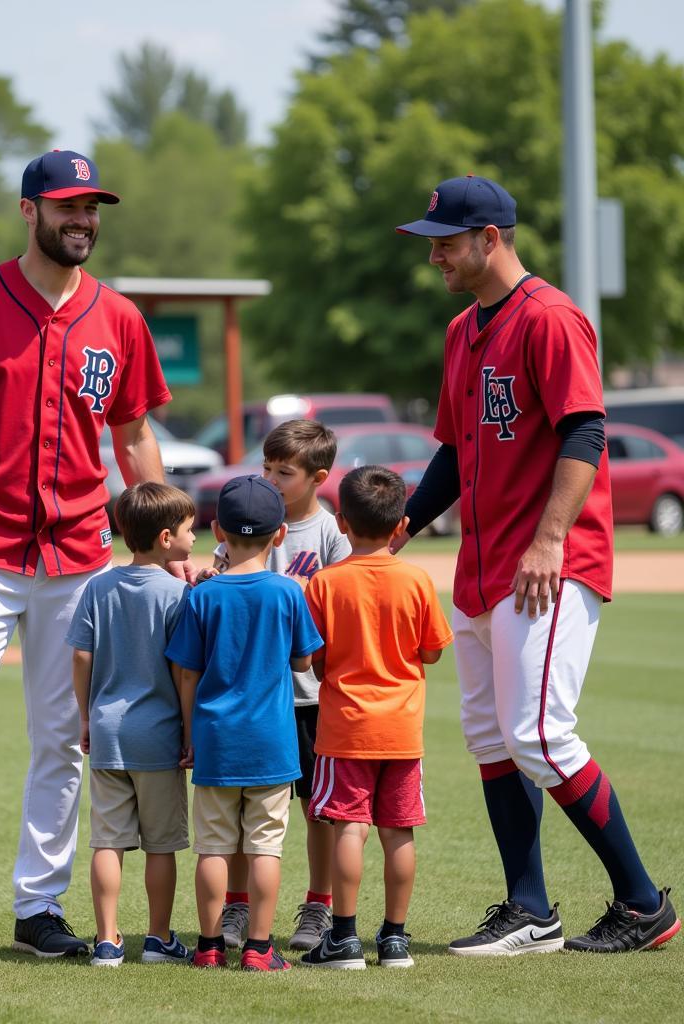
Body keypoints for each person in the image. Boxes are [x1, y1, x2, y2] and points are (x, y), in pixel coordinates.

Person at [395, 175, 679, 954]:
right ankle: (530, 910)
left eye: (446, 244)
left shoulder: (552, 319)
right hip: (484, 566)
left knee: (541, 735)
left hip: (548, 562)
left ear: (491, 239)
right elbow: (453, 455)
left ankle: (643, 901)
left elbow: (585, 433)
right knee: (490, 736)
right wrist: (403, 527)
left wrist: (552, 537)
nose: (436, 258)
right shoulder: (462, 333)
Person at [0, 149, 173, 961]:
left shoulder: (118, 316)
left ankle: (38, 904)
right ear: (29, 211)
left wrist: (162, 543)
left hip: (82, 555)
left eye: (92, 207)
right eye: (67, 206)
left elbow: (132, 436)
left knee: (64, 734)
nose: (82, 220)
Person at [167, 475, 323, 972]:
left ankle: (209, 945)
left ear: (218, 530)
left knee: (212, 846)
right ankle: (258, 947)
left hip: (215, 738)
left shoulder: (202, 596)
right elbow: (304, 664)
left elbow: (187, 672)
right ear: (280, 534)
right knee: (265, 848)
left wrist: (190, 734)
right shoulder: (287, 593)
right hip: (272, 743)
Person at [299, 466, 452, 970]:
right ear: (401, 523)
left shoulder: (324, 583)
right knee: (398, 831)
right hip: (402, 729)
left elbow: (312, 658)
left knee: (349, 827)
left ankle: (343, 937)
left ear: (341, 523)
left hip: (344, 727)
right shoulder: (416, 579)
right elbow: (432, 653)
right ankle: (395, 939)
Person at [208, 420, 351, 952]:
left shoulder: (330, 532)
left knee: (318, 807)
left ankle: (318, 906)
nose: (270, 478)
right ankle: (237, 905)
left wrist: (300, 588)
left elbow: (345, 595)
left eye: (283, 472)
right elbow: (224, 580)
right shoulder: (247, 519)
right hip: (254, 697)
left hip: (310, 695)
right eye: (266, 467)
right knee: (247, 810)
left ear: (317, 478)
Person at [66, 482, 196, 967]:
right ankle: (159, 938)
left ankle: (106, 939)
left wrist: (85, 715)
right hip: (159, 736)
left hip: (107, 732)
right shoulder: (178, 594)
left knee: (108, 841)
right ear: (166, 538)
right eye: (187, 529)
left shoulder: (98, 586)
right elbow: (184, 672)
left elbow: (81, 655)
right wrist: (188, 730)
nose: (193, 536)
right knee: (161, 845)